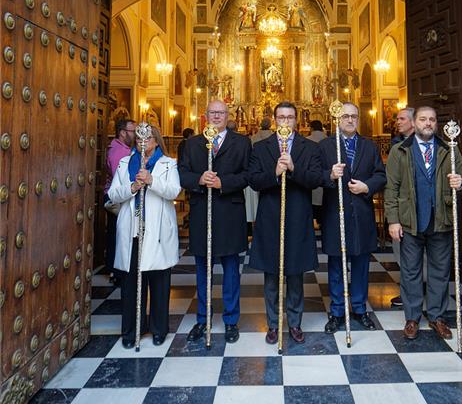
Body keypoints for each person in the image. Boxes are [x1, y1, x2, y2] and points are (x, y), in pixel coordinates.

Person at [384, 105, 462, 340]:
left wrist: (459, 183)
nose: (428, 123)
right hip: (410, 221)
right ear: (415, 122)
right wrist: (393, 220)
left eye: (432, 119)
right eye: (423, 119)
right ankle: (412, 318)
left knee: (439, 272)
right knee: (410, 272)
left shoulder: (449, 150)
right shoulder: (400, 151)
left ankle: (437, 317)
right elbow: (391, 188)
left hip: (440, 220)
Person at [248, 101, 322, 344]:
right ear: (274, 120)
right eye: (281, 117)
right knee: (271, 276)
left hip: (298, 218)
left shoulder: (309, 147)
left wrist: (293, 169)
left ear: (296, 120)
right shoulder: (260, 148)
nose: (285, 121)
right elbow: (254, 180)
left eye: (290, 117)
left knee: (295, 275)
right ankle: (272, 324)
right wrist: (274, 173)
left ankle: (295, 323)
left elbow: (314, 179)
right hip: (270, 218)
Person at [179, 99, 251, 343]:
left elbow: (248, 175)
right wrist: (199, 179)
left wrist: (224, 183)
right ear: (205, 115)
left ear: (228, 115)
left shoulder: (241, 142)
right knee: (202, 271)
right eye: (213, 112)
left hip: (230, 212)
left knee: (231, 270)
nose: (217, 116)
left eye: (221, 112)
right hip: (202, 213)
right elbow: (182, 173)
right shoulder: (192, 144)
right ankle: (203, 319)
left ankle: (231, 320)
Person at [108, 124, 181, 348]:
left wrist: (151, 181)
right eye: (140, 138)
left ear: (156, 141)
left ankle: (159, 329)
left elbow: (173, 191)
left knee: (159, 282)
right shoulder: (124, 163)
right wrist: (131, 187)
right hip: (132, 230)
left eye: (148, 138)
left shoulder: (168, 164)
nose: (143, 142)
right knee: (131, 284)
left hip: (157, 230)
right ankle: (131, 331)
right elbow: (113, 194)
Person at [319, 103, 386, 332]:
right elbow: (314, 175)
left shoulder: (368, 145)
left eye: (354, 116)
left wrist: (367, 186)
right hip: (335, 213)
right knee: (336, 264)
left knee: (360, 263)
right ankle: (337, 311)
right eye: (345, 116)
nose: (350, 120)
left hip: (362, 213)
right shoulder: (326, 146)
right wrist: (330, 174)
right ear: (337, 119)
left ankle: (359, 308)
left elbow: (380, 174)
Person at [103, 118, 137, 281]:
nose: (136, 135)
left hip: (121, 196)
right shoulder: (119, 152)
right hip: (117, 198)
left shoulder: (122, 148)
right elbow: (122, 178)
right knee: (119, 233)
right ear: (123, 133)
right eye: (133, 131)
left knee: (118, 232)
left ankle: (116, 269)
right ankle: (116, 271)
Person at [389, 107, 415, 306]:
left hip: (417, 209)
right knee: (403, 255)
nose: (397, 122)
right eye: (397, 118)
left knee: (413, 256)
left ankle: (415, 294)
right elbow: (392, 182)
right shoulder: (397, 144)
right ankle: (409, 294)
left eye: (402, 119)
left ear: (413, 122)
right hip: (402, 209)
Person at [307, 119, 326, 224]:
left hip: (311, 175)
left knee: (313, 201)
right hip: (326, 175)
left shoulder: (307, 140)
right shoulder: (328, 139)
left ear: (311, 128)